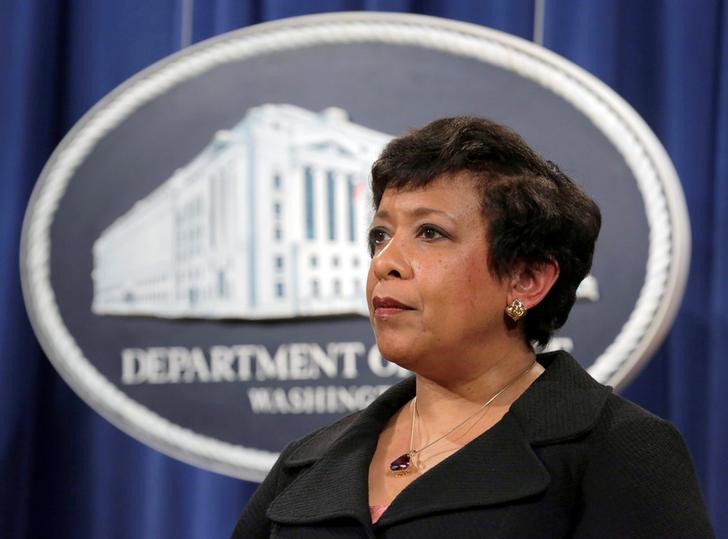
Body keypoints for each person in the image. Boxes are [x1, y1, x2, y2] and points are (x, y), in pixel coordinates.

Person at [231, 117, 714, 538]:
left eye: (430, 233)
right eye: (380, 235)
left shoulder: (618, 449)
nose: (386, 262)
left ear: (525, 279)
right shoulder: (309, 463)